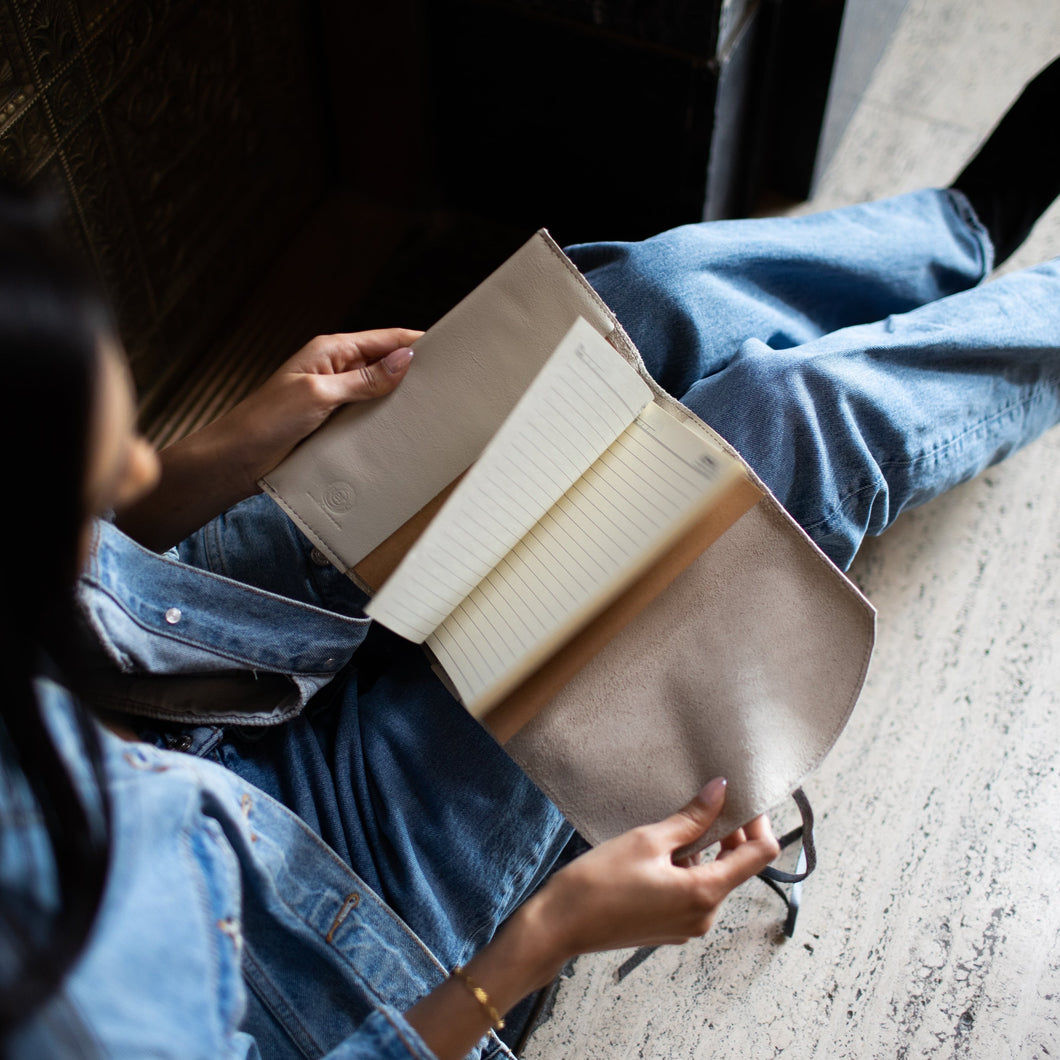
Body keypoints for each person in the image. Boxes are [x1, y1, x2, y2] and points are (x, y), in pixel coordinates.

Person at [2, 55, 1058, 1060]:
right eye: (106, 459)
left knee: (646, 303)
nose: (141, 457)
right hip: (321, 881)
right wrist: (534, 946)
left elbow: (101, 542)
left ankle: (958, 232)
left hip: (192, 625)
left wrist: (220, 452)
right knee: (782, 427)